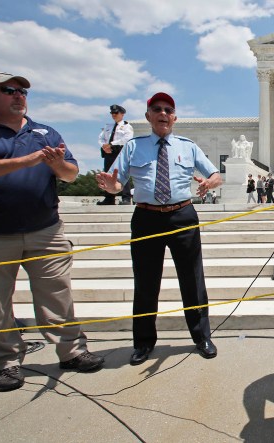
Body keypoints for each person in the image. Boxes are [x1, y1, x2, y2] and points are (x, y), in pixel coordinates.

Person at [0, 71, 104, 392]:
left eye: (23, 91)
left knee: (57, 293)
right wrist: (25, 162)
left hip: (45, 228)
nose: (19, 95)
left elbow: (70, 173)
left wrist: (55, 165)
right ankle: (5, 361)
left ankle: (72, 350)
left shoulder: (44, 132)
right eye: (9, 90)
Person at [96, 92, 222, 365]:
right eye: (157, 109)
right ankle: (143, 343)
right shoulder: (133, 146)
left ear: (175, 117)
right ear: (148, 116)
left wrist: (209, 184)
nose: (163, 114)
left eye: (168, 110)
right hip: (146, 216)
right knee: (145, 282)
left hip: (182, 215)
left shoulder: (188, 146)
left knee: (193, 280)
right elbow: (118, 183)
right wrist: (111, 187)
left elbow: (215, 174)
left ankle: (202, 337)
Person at [97, 104, 134, 205]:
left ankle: (126, 198)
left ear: (122, 114)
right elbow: (101, 138)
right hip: (108, 152)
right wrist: (104, 146)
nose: (113, 115)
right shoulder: (108, 126)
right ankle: (109, 198)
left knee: (123, 173)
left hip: (120, 151)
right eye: (112, 113)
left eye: (116, 113)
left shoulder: (127, 126)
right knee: (107, 174)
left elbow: (127, 138)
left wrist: (111, 144)